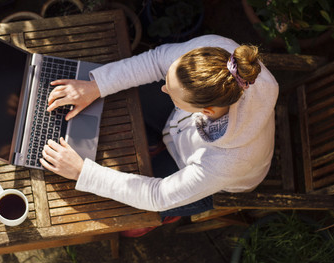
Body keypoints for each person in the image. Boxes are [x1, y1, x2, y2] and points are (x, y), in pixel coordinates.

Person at [39, 35, 279, 236]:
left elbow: (158, 195)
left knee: (128, 222)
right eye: (168, 80)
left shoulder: (227, 162)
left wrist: (82, 172)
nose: (163, 89)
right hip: (183, 129)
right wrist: (96, 86)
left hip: (215, 181)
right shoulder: (218, 56)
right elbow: (155, 61)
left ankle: (168, 201)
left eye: (172, 94)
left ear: (206, 111)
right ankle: (159, 141)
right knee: (126, 94)